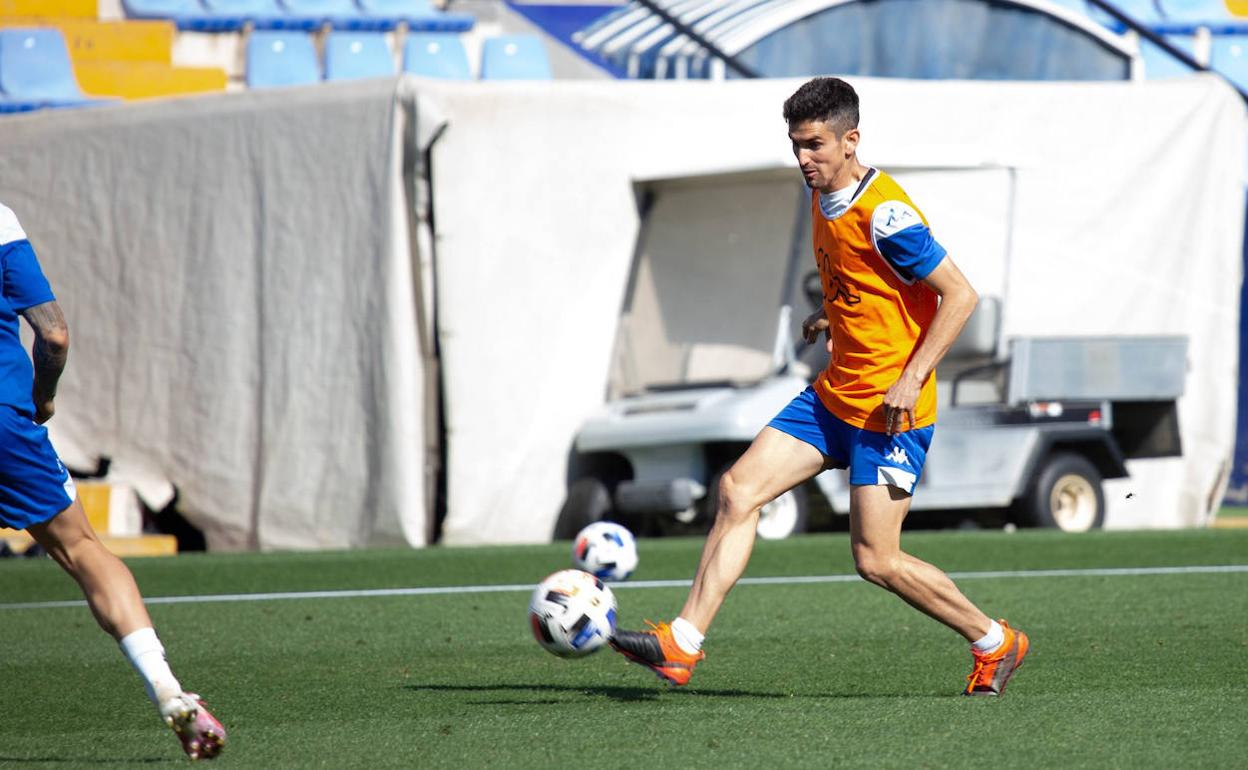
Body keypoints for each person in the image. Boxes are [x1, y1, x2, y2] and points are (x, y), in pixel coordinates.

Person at [610, 77, 1029, 697]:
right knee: (736, 490)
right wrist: (835, 310)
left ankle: (995, 641)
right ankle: (682, 645)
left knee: (875, 560)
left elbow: (959, 296)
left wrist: (911, 378)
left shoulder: (888, 216)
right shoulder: (820, 192)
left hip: (891, 414)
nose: (803, 158)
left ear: (850, 140)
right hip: (834, 397)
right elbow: (874, 282)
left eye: (814, 145)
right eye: (795, 145)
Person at [0, 203, 226, 757]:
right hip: (4, 420)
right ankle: (167, 688)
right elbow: (53, 334)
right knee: (80, 548)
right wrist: (44, 397)